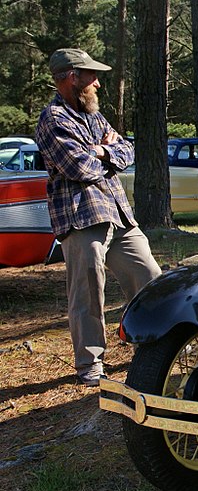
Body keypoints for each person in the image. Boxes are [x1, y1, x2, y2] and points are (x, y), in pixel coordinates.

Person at [36, 48, 162, 387]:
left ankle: (153, 345)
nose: (98, 84)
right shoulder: (53, 119)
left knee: (150, 275)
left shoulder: (95, 116)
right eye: (92, 76)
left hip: (118, 214)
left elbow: (127, 151)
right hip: (81, 218)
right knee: (88, 291)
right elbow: (79, 167)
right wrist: (103, 154)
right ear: (72, 77)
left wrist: (103, 149)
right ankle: (90, 365)